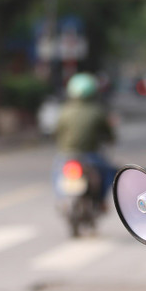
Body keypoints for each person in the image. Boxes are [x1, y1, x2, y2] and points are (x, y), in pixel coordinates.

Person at [54, 72, 116, 204]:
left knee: (57, 173)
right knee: (109, 173)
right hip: (91, 155)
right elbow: (108, 134)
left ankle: (61, 200)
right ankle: (101, 202)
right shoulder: (98, 111)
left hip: (67, 155)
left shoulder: (64, 111)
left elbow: (57, 132)